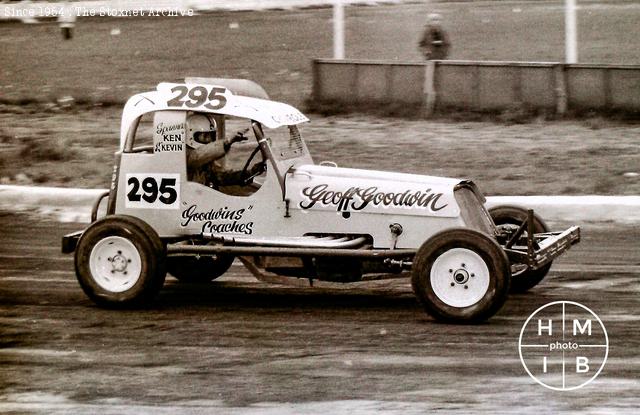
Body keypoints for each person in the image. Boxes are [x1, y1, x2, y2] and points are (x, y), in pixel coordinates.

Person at [185, 113, 265, 190]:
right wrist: (227, 142)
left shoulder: (206, 161)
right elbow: (197, 156)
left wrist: (251, 173)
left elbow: (221, 177)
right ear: (190, 136)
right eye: (205, 136)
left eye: (211, 135)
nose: (209, 140)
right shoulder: (185, 157)